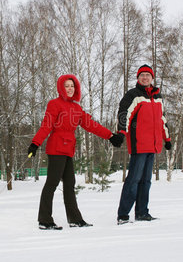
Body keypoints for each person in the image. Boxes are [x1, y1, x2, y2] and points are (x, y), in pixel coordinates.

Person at [27, 74, 124, 230]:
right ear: (61, 88)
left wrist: (110, 136)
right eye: (67, 86)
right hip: (56, 148)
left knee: (70, 184)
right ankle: (44, 220)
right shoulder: (54, 104)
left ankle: (75, 219)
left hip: (68, 150)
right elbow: (47, 125)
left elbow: (91, 125)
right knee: (51, 183)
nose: (70, 88)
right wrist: (35, 143)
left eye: (72, 86)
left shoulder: (77, 108)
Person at [116, 64, 171, 224]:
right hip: (139, 145)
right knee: (133, 179)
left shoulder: (158, 97)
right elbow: (123, 113)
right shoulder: (133, 95)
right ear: (138, 78)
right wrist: (121, 132)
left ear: (152, 78)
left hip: (153, 146)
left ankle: (142, 212)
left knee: (146, 181)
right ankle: (123, 215)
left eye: (148, 75)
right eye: (142, 75)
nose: (145, 78)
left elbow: (163, 119)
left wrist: (167, 139)